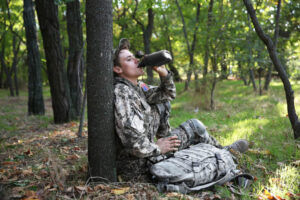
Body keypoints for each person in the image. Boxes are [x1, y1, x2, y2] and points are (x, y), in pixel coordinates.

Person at [113, 39, 248, 181]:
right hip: (140, 165)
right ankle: (226, 155)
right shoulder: (122, 92)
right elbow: (131, 138)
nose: (136, 60)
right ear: (118, 69)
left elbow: (167, 94)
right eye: (129, 59)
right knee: (194, 132)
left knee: (195, 127)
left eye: (135, 57)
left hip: (150, 152)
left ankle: (224, 151)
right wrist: (158, 148)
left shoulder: (137, 87)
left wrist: (164, 74)